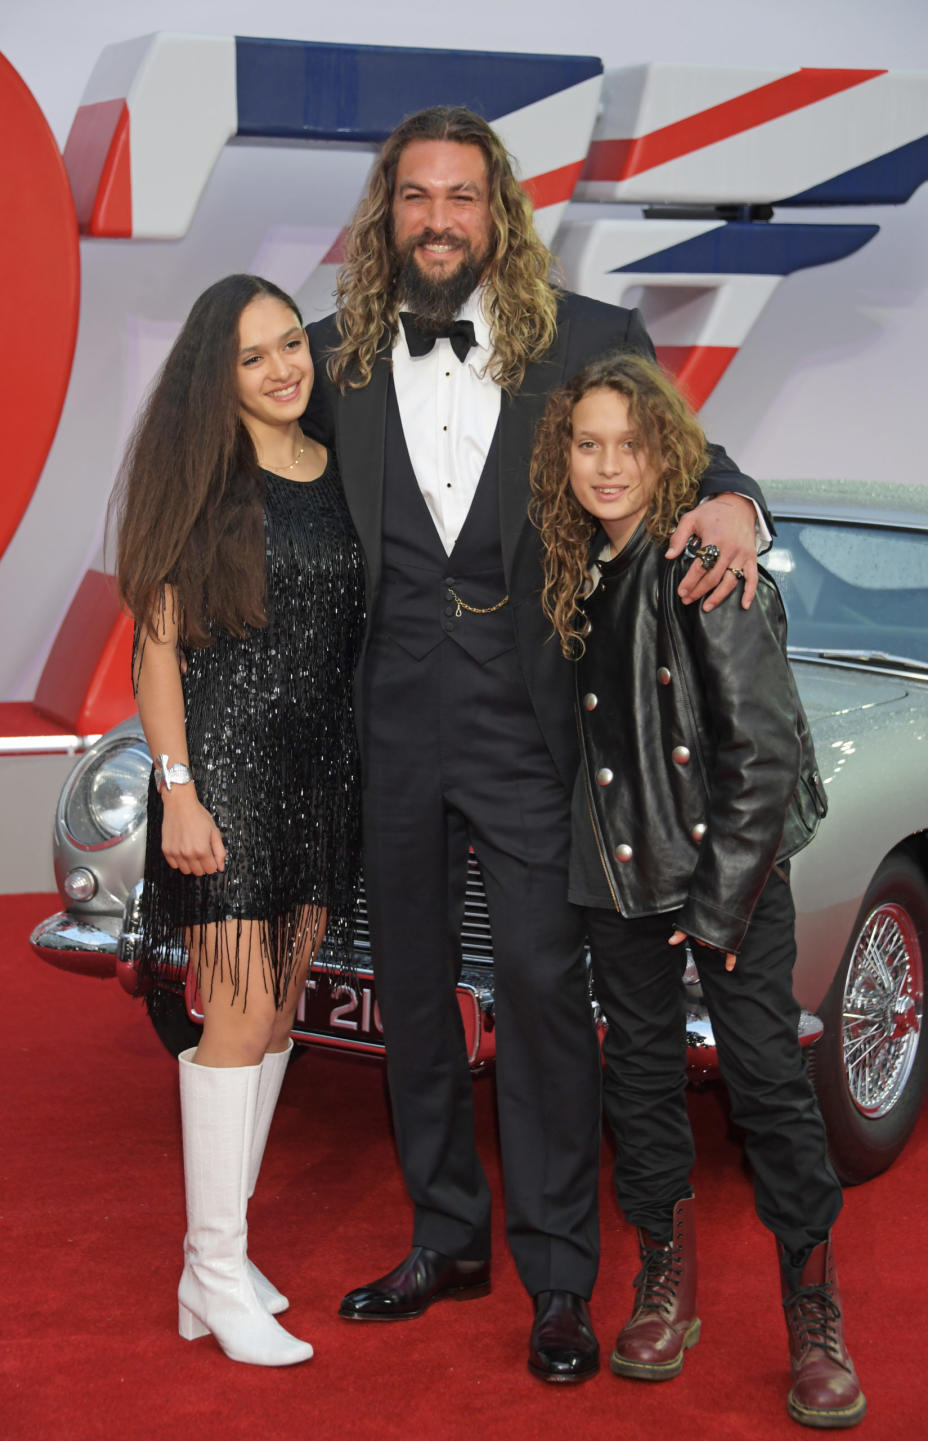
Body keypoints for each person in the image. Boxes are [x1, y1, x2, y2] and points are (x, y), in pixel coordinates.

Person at [302, 105, 767, 1383]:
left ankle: (560, 1277)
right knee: (411, 993)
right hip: (387, 719)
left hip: (530, 726)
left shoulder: (594, 340)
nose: (438, 219)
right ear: (385, 214)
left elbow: (692, 457)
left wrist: (732, 497)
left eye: (461, 196)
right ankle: (445, 1234)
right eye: (415, 197)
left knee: (547, 1001)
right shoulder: (326, 357)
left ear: (497, 208)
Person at [530, 352, 865, 1427]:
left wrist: (714, 915)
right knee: (637, 1080)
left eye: (631, 443)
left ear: (668, 450)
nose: (610, 463)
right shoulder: (569, 563)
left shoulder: (707, 563)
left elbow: (761, 759)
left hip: (726, 871)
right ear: (563, 455)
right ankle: (664, 1281)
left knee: (766, 1079)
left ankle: (814, 1310)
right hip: (616, 872)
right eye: (589, 444)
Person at [112, 274, 365, 1367]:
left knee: (274, 1020)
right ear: (220, 376)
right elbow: (154, 643)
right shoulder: (205, 481)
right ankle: (216, 1271)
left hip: (324, 773)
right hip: (228, 772)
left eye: (289, 346)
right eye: (254, 356)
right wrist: (177, 789)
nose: (282, 368)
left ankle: (209, 1262)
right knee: (237, 1017)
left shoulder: (339, 471)